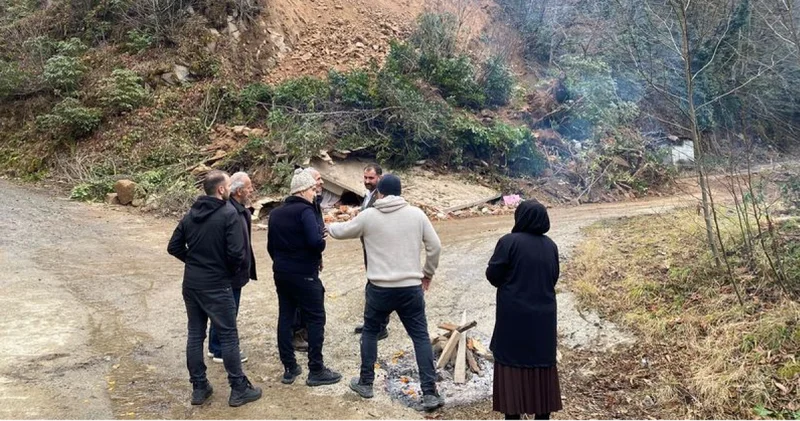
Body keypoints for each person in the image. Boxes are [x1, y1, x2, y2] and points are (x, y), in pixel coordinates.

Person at [328, 174, 445, 411]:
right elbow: (436, 246)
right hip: (410, 288)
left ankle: (366, 383)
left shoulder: (369, 216)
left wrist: (328, 225)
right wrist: (427, 273)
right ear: (401, 192)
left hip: (379, 288)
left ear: (379, 193)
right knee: (420, 337)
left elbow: (341, 232)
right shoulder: (416, 215)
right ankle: (430, 393)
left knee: (370, 332)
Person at [167, 170, 262, 407]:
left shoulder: (191, 214)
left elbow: (174, 246)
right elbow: (237, 255)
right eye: (228, 184)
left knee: (195, 335)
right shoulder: (229, 213)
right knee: (229, 336)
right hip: (217, 285)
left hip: (192, 284)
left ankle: (199, 387)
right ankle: (238, 388)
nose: (231, 187)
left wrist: (195, 262)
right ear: (221, 189)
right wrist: (221, 271)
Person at [485, 200, 563, 420]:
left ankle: (513, 415)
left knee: (512, 365)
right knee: (541, 366)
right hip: (543, 319)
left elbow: (493, 276)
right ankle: (542, 415)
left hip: (513, 318)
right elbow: (553, 277)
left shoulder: (508, 242)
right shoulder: (551, 246)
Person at [267, 169, 342, 387]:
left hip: (281, 273)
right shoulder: (306, 211)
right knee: (316, 318)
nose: (314, 193)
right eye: (312, 189)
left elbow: (270, 246)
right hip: (305, 274)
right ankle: (316, 369)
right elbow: (315, 242)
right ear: (301, 191)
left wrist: (283, 262)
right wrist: (322, 240)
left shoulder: (276, 214)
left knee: (285, 316)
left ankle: (290, 367)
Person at [207, 172, 256, 363]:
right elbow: (233, 248)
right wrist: (235, 268)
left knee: (223, 311)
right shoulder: (231, 212)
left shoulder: (238, 209)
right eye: (249, 187)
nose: (251, 190)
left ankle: (214, 346)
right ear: (238, 191)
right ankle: (220, 350)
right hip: (231, 273)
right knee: (228, 311)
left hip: (234, 272)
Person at [289, 167, 326, 353]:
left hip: (310, 260)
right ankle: (298, 334)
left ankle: (305, 331)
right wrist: (319, 247)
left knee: (314, 296)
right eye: (317, 180)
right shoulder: (303, 208)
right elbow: (312, 238)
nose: (320, 183)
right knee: (303, 300)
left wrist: (318, 257)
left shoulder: (315, 202)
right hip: (301, 265)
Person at [353, 164, 389, 341]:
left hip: (378, 249)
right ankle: (372, 323)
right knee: (371, 285)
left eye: (371, 178)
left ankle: (380, 327)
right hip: (368, 248)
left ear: (379, 178)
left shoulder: (383, 197)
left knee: (378, 287)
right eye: (365, 178)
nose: (367, 181)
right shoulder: (369, 195)